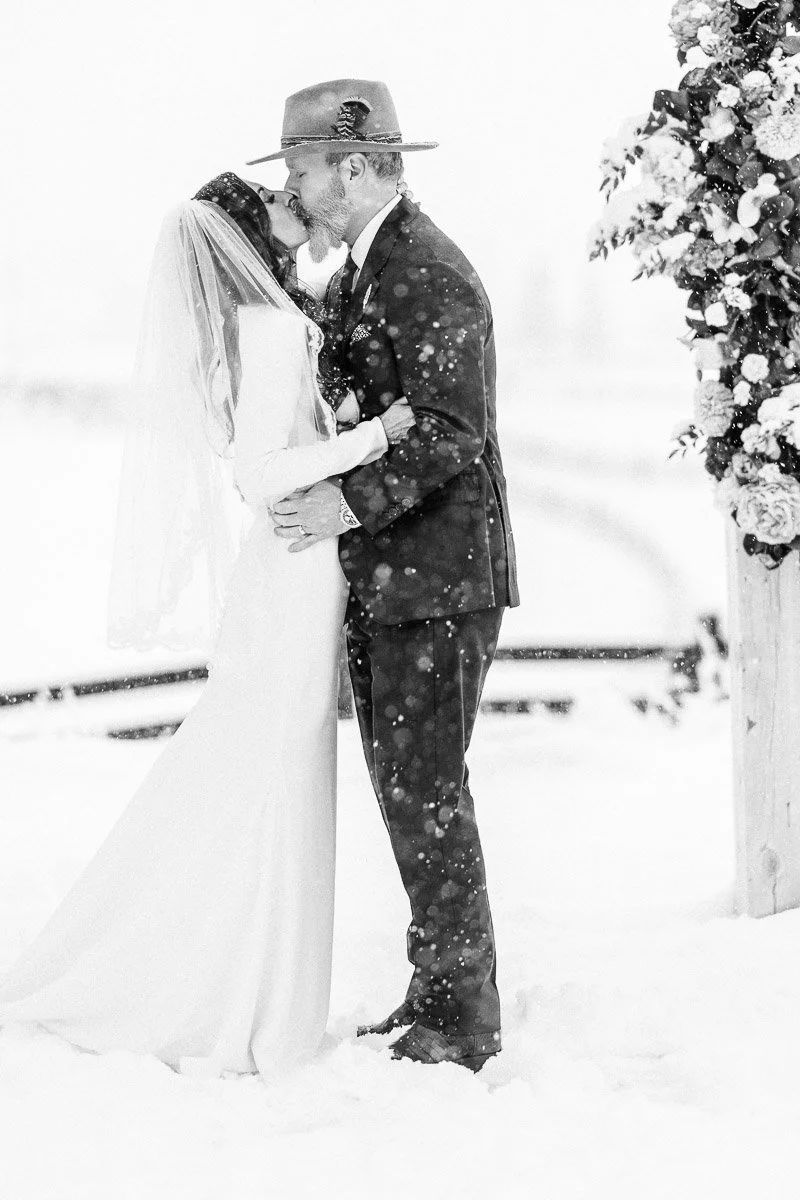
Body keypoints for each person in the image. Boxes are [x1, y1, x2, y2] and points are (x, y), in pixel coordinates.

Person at [0, 173, 414, 1078]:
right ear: (240, 235)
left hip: (293, 575)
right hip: (294, 577)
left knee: (268, 775)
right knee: (272, 777)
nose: (289, 200)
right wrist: (374, 436)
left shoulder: (260, 321)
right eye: (273, 199)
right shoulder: (266, 329)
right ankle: (241, 998)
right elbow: (263, 475)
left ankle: (246, 985)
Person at [247, 80, 520, 1071]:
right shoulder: (369, 267)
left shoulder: (425, 271)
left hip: (437, 581)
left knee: (425, 791)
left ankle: (462, 1021)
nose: (295, 182)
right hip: (399, 577)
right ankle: (437, 994)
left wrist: (343, 504)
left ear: (360, 165)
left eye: (305, 166)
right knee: (408, 791)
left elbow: (452, 435)